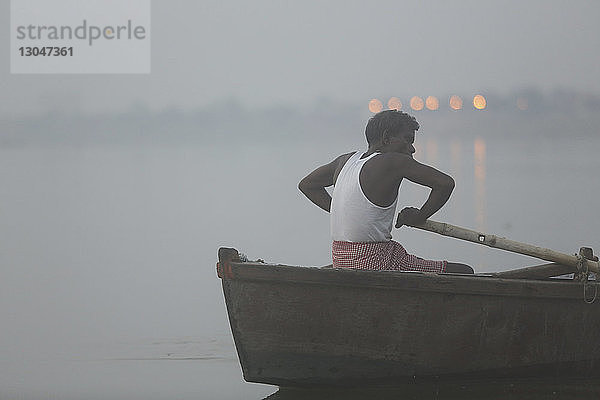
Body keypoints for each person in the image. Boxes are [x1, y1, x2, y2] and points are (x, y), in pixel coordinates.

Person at [298, 110, 473, 274]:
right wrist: (420, 216)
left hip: (341, 260)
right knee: (465, 271)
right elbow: (445, 184)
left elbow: (307, 185)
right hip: (377, 264)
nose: (412, 149)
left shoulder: (345, 161)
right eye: (407, 140)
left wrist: (344, 210)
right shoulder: (393, 161)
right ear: (387, 138)